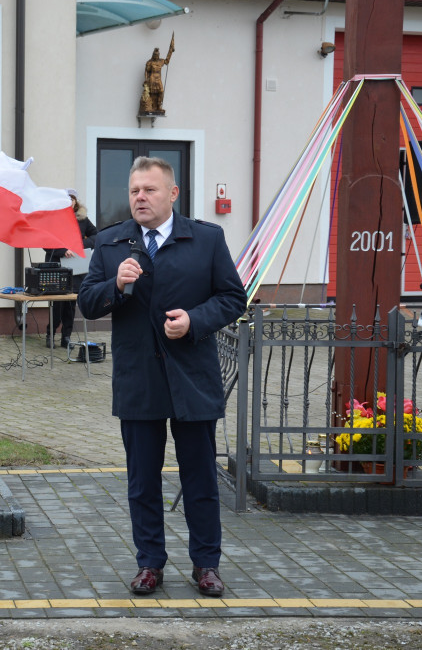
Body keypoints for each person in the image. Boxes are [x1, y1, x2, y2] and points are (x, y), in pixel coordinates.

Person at [78, 157, 246, 597]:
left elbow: (233, 297)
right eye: (135, 190)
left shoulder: (206, 239)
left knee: (200, 481)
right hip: (139, 379)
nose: (140, 197)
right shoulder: (112, 243)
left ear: (172, 195)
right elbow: (87, 302)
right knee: (142, 482)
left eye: (150, 190)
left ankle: (206, 564)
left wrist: (194, 320)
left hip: (192, 377)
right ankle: (149, 563)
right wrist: (114, 284)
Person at [44, 188, 98, 349]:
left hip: (75, 268)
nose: (70, 202)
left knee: (70, 304)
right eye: (66, 199)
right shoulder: (53, 219)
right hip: (56, 266)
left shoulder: (82, 220)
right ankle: (50, 335)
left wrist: (78, 246)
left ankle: (66, 337)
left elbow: (96, 236)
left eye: (72, 199)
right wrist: (63, 250)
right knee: (56, 304)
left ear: (75, 202)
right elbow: (45, 242)